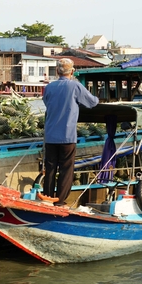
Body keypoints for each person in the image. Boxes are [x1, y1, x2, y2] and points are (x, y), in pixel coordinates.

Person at [42, 58, 99, 207]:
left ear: (56, 71)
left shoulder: (49, 87)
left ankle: (47, 198)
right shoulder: (75, 86)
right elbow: (92, 102)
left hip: (50, 136)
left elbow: (46, 103)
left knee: (50, 168)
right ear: (72, 71)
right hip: (67, 136)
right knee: (66, 169)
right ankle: (60, 201)